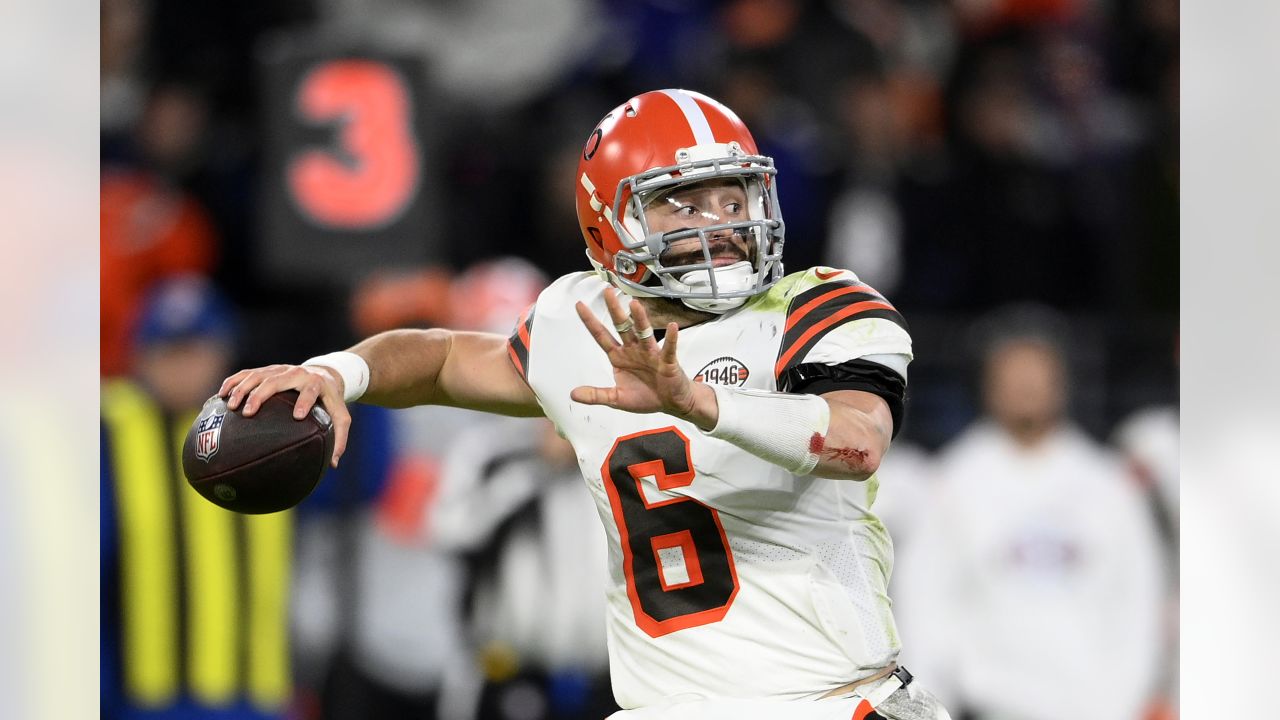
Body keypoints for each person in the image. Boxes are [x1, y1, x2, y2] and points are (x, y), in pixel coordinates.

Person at [221, 89, 948, 720]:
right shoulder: (583, 321)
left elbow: (860, 440)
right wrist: (335, 372)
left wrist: (703, 404)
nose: (720, 222)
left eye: (733, 197)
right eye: (681, 202)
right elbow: (443, 358)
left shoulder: (818, 305)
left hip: (828, 703)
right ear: (613, 221)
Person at [894, 306, 1163, 720]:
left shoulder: (1108, 485)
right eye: (1012, 370)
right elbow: (924, 606)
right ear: (988, 381)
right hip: (987, 708)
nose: (1025, 384)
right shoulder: (951, 484)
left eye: (1036, 369)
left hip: (1096, 708)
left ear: (1062, 380)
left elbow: (1139, 604)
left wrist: (1121, 704)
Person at [101, 276, 294, 720]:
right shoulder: (107, 431)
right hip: (141, 699)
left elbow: (361, 483)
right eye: (169, 353)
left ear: (225, 354)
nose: (183, 367)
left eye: (196, 350)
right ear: (139, 357)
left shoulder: (268, 426)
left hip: (254, 696)